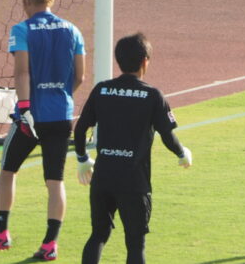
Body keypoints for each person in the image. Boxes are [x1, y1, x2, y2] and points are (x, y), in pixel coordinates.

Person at [0, 0, 86, 261]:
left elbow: (22, 72)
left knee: (7, 171)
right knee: (55, 181)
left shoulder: (22, 29)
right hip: (61, 116)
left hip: (31, 117)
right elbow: (80, 76)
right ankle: (50, 244)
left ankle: (1, 233)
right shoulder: (73, 30)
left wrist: (26, 107)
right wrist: (60, 95)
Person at [74, 32, 192, 264]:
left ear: (118, 60)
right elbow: (167, 135)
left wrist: (82, 159)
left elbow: (79, 130)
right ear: (145, 61)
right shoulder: (152, 95)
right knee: (135, 244)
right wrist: (181, 152)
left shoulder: (102, 90)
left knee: (98, 235)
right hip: (134, 183)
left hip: (103, 179)